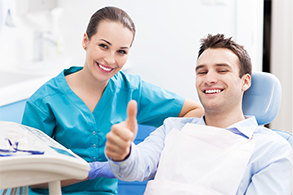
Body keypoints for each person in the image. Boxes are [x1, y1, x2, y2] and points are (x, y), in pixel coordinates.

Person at [21, 6, 204, 195]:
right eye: (103, 46)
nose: (110, 59)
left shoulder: (131, 90)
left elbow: (196, 112)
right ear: (86, 41)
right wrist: (92, 171)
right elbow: (30, 177)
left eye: (121, 51)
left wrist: (145, 153)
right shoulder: (45, 102)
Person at [105, 34, 293, 195]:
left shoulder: (271, 150)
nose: (209, 79)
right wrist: (123, 153)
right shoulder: (173, 128)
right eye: (202, 72)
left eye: (222, 70)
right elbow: (135, 168)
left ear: (245, 82)